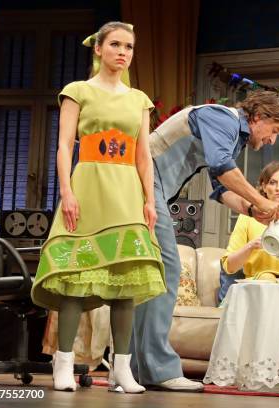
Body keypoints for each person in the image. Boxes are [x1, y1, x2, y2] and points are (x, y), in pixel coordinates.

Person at [31, 22, 165, 393]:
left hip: (125, 190)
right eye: (116, 45)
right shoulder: (78, 91)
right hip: (89, 185)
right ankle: (63, 364)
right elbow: (64, 146)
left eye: (129, 47)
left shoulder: (139, 99)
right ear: (99, 49)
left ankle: (122, 369)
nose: (123, 52)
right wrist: (67, 191)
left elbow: (143, 156)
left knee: (125, 281)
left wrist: (150, 201)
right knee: (75, 276)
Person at [130, 91, 279, 391]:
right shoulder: (222, 118)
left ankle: (136, 368)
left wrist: (250, 209)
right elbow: (222, 168)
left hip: (152, 186)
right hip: (143, 177)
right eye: (274, 132)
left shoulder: (233, 135)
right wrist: (261, 200)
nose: (272, 141)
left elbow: (219, 187)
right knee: (168, 269)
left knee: (154, 274)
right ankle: (159, 370)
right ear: (260, 117)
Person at [221, 161, 279, 287]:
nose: (278, 188)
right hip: (256, 289)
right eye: (272, 182)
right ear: (264, 187)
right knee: (267, 279)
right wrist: (251, 246)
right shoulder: (247, 218)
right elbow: (229, 266)